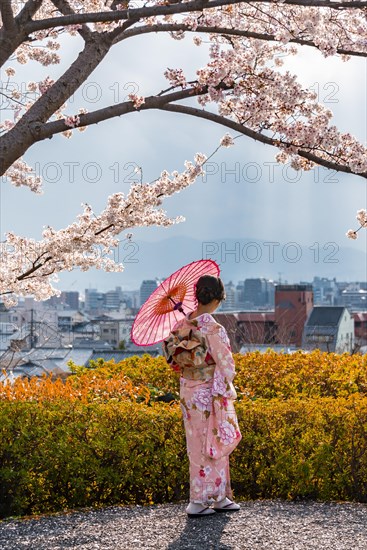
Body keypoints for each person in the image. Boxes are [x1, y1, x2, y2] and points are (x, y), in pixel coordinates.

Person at [163, 275, 242, 518]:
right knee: (214, 442)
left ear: (197, 295)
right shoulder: (212, 327)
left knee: (196, 444)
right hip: (209, 393)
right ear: (218, 298)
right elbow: (227, 365)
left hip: (189, 390)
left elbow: (175, 359)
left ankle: (216, 497)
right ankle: (202, 500)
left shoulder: (183, 323)